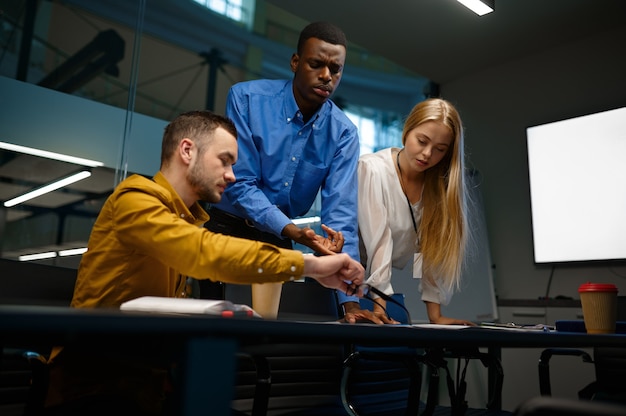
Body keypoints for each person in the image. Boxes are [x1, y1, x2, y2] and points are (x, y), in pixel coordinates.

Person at [43, 110, 364, 415]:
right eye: (224, 161)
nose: (232, 176)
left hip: (148, 382)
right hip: (93, 384)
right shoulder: (134, 200)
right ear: (187, 151)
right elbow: (202, 251)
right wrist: (310, 265)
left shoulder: (185, 219)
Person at [206, 21, 361, 318]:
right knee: (217, 331)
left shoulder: (343, 133)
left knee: (267, 339)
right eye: (316, 64)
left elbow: (341, 215)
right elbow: (240, 183)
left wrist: (350, 302)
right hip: (226, 228)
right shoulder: (246, 99)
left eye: (336, 69)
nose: (327, 76)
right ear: (295, 62)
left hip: (276, 238)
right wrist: (295, 232)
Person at [343, 98, 475, 325]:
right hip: (339, 283)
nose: (426, 154)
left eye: (439, 149)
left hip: (370, 288)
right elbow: (379, 243)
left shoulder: (437, 189)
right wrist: (379, 307)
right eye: (421, 141)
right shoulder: (372, 169)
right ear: (407, 131)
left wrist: (436, 316)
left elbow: (427, 254)